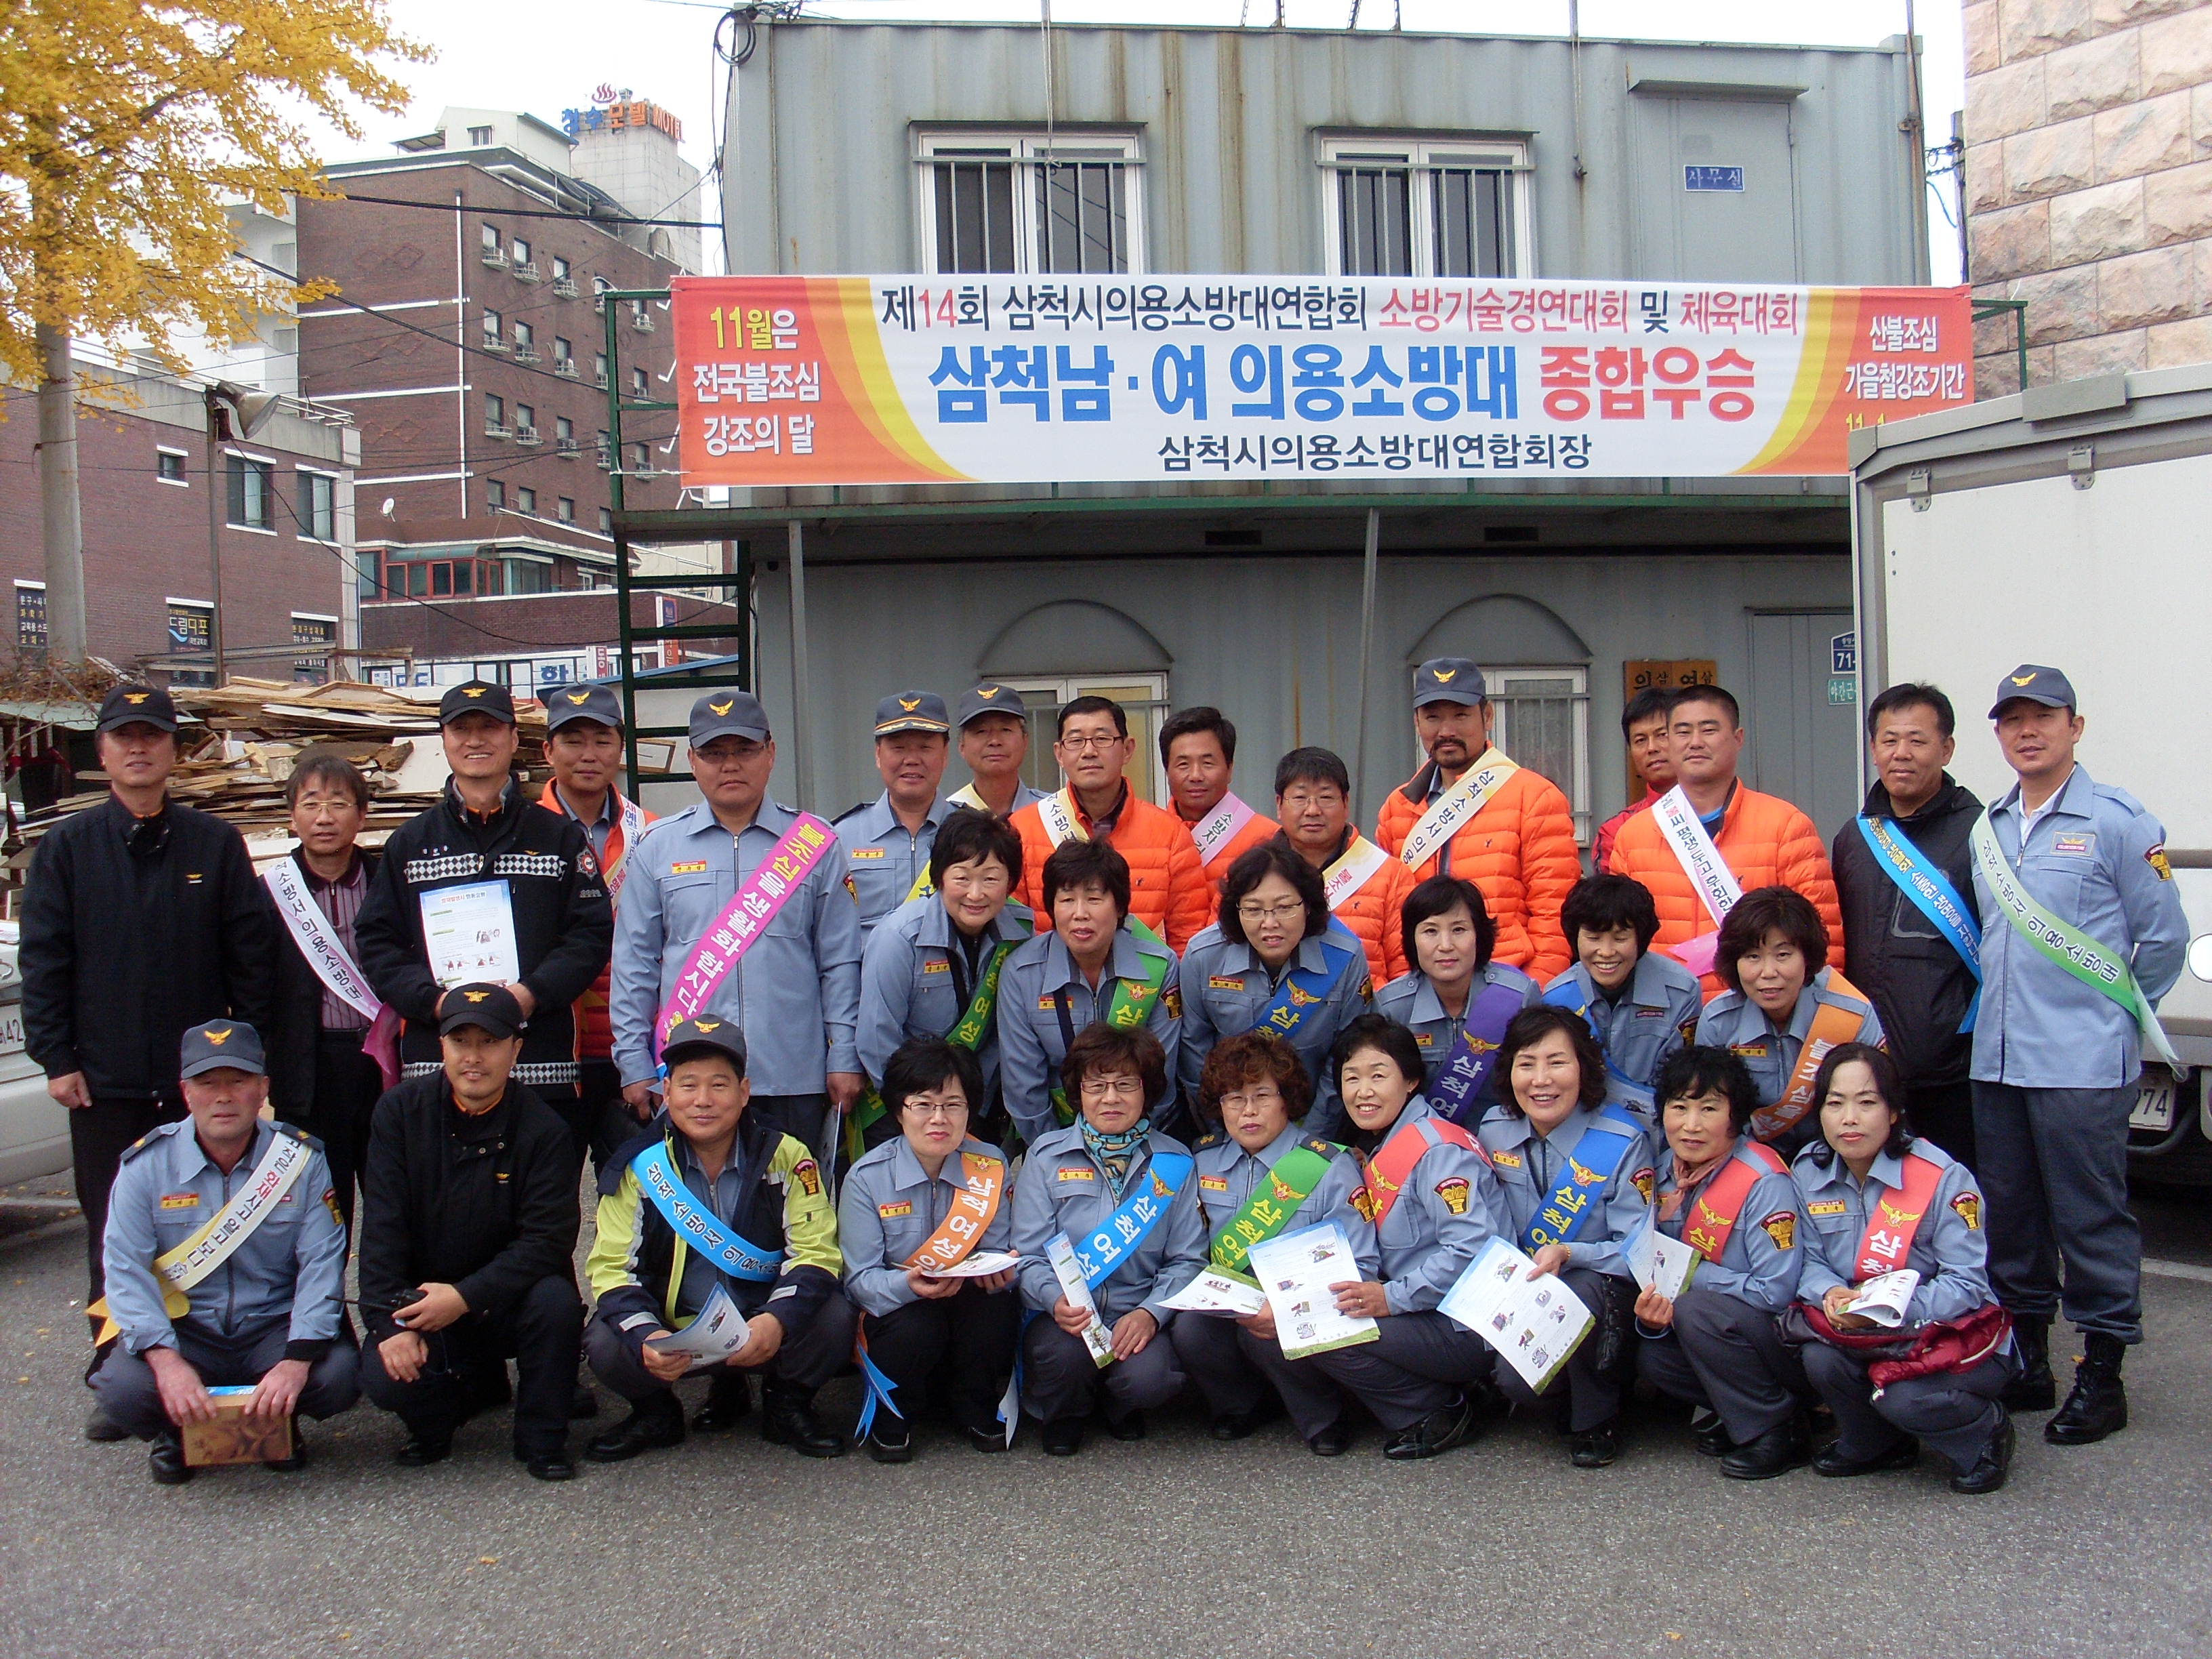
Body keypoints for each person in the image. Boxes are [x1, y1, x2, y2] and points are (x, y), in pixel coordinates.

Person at [20, 682, 275, 1429]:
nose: (138, 748)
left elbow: (250, 963)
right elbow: (45, 962)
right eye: (124, 737)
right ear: (102, 751)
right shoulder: (66, 849)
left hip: (205, 1085)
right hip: (107, 1081)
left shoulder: (214, 845)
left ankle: (212, 1358)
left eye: (152, 736)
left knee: (207, 1226)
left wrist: (253, 1068)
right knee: (114, 1231)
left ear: (173, 750)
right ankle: (117, 1370)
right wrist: (56, 1058)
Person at [1967, 665, 2187, 1444]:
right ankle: (2030, 1359)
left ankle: (2102, 1372)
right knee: (2013, 1219)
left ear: (2075, 727)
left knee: (2090, 1219)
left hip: (2081, 1067)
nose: (2027, 731)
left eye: (2044, 716)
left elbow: (2164, 940)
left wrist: (2111, 1018)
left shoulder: (2119, 822)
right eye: (2012, 719)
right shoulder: (1989, 828)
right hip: (1997, 1062)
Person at [354, 679, 613, 1166]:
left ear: (514, 739)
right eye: (462, 729)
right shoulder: (409, 843)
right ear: (444, 741)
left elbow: (591, 934)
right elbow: (377, 941)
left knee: (543, 1204)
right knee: (443, 1205)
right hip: (438, 1070)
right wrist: (434, 1002)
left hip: (541, 1067)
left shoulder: (558, 837)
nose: (476, 740)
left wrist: (530, 994)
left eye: (490, 728)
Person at [87, 1021, 356, 1485]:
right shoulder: (146, 1166)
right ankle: (176, 1432)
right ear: (186, 1093)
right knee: (120, 1390)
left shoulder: (301, 1161)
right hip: (187, 1330)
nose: (224, 1097)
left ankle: (277, 1421)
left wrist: (296, 1360)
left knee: (338, 1376)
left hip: (271, 1326)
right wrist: (166, 1362)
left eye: (238, 1081)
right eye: (208, 1083)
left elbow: (322, 1263)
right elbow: (125, 1269)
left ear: (263, 1089)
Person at [583, 1017, 853, 1464]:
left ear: (744, 1092)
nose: (703, 1100)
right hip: (676, 1330)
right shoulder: (638, 1167)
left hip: (760, 1323)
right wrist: (649, 1335)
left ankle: (787, 1404)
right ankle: (656, 1413)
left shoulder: (786, 1155)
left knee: (835, 1313)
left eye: (719, 1085)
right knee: (605, 1340)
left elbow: (817, 1252)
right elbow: (611, 1270)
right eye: (688, 1085)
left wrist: (776, 1320)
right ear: (667, 1092)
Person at [609, 689, 863, 1161]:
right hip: (692, 1082)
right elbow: (634, 966)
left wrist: (845, 1053)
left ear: (770, 753)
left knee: (797, 1201)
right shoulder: (658, 848)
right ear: (692, 760)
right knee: (697, 1203)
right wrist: (633, 1063)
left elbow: (841, 962)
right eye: (713, 753)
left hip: (792, 1077)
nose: (730, 765)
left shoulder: (815, 844)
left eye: (745, 750)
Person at [355, 985, 586, 1481]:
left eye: (490, 1043)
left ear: (516, 1050)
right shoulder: (398, 1113)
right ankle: (443, 1417)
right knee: (384, 1376)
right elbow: (381, 1231)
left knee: (556, 1303)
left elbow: (547, 1242)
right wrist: (387, 1325)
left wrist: (464, 1297)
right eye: (461, 1041)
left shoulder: (544, 1129)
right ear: (442, 1045)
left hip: (505, 1298)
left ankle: (543, 1437)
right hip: (423, 1297)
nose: (474, 1057)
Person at [1789, 1043, 2018, 1495]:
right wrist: (1831, 1294)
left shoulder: (1943, 1178)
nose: (1849, 1118)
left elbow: (1966, 1284)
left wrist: (1889, 1310)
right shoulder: (1809, 1171)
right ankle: (1877, 1442)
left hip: (1948, 1334)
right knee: (1819, 1359)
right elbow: (1810, 1260)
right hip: (1864, 1332)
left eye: (1866, 1102)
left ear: (1894, 1112)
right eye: (1835, 1103)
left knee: (1906, 1399)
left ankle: (1984, 1432)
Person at [1294, 1015, 1506, 1460]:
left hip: (1470, 1323)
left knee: (1323, 1333)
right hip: (1429, 1312)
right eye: (1351, 1077)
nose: (1363, 1091)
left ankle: (1436, 1411)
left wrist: (1390, 1299)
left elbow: (1471, 1251)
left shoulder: (1438, 1152)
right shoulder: (1387, 1141)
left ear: (1410, 1080)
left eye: (1378, 1075)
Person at [1010, 1025, 1206, 1456]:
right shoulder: (1045, 1157)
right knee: (1063, 1359)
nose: (1111, 1098)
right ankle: (1066, 1414)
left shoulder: (1174, 1161)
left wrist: (1151, 1314)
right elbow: (1027, 1256)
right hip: (1068, 1314)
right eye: (1096, 1086)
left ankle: (1120, 1404)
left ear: (1147, 1091)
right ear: (1078, 1093)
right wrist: (1054, 1301)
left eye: (1125, 1085)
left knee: (1151, 1379)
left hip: (1135, 1308)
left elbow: (1188, 1259)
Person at [1171, 1031, 1375, 1442]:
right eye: (1234, 1098)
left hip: (1306, 1302)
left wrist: (1288, 1304)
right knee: (1190, 1331)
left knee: (1268, 1336)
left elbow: (1363, 1263)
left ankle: (1323, 1415)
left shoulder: (1327, 1164)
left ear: (1287, 1100)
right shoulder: (1203, 1159)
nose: (1248, 1111)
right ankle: (1242, 1403)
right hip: (1232, 1299)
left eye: (1262, 1096)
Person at [1477, 1006, 1653, 1467]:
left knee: (1582, 1291)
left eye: (1557, 1062)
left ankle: (1598, 1418)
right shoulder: (1494, 1130)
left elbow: (1638, 1251)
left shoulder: (1621, 1140)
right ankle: (1566, 1398)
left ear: (1584, 1068)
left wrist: (1573, 1252)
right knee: (1515, 1384)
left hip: (1600, 1285)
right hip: (1527, 1287)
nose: (1541, 1080)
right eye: (1527, 1063)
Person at [1629, 1045, 1809, 1480]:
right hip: (1715, 1327)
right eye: (1679, 1107)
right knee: (1655, 1358)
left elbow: (1776, 1291)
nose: (1691, 1125)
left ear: (1735, 1117)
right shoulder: (1665, 1170)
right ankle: (1740, 1412)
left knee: (1696, 1310)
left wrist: (1689, 1276)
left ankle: (1778, 1429)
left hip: (1779, 1335)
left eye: (1709, 1109)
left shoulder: (1763, 1181)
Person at [837, 1038, 1020, 1462]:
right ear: (899, 1110)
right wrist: (909, 1286)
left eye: (953, 1105)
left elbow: (999, 1248)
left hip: (966, 1297)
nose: (939, 1119)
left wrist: (1002, 1272)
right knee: (917, 1325)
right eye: (923, 1104)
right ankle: (895, 1410)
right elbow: (859, 1280)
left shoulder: (990, 1164)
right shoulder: (866, 1177)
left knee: (996, 1307)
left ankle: (973, 1402)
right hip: (902, 1308)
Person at [1832, 682, 1985, 1171]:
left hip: (1953, 1071)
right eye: (1889, 740)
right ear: (1873, 748)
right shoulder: (1854, 837)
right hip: (1870, 1070)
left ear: (1947, 749)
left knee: (1954, 1195)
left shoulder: (1983, 834)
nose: (1902, 753)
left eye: (1917, 740)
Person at [1609, 684, 1844, 998]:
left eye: (1708, 730)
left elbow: (1824, 940)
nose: (1695, 742)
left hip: (1758, 1009)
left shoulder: (1786, 826)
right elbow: (1617, 935)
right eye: (1682, 732)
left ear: (1738, 738)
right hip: (1663, 1010)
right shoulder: (1633, 835)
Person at [1372, 657, 1580, 982]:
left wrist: (1533, 992)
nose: (1447, 731)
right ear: (1416, 723)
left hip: (1508, 982)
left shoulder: (1535, 797)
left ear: (1488, 716)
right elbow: (1390, 918)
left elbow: (1554, 914)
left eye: (1460, 715)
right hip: (1422, 987)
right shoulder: (1397, 808)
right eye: (1433, 717)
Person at [262, 749, 393, 1232]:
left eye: (338, 803)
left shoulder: (388, 881)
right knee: (318, 1212)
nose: (324, 818)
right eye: (311, 804)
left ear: (362, 815)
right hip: (309, 1068)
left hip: (384, 1063)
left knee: (394, 1203)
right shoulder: (268, 894)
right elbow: (253, 986)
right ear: (291, 816)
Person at [856, 808, 1033, 1149]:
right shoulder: (899, 937)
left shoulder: (1022, 933)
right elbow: (878, 1040)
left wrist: (969, 1111)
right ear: (938, 878)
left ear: (1010, 882)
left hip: (979, 1108)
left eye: (991, 879)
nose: (976, 894)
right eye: (962, 878)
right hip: (907, 1108)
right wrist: (920, 1112)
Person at [536, 683, 657, 1171]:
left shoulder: (651, 832)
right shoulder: (522, 835)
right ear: (548, 751)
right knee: (547, 1195)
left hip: (636, 1048)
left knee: (643, 1193)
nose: (589, 755)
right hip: (549, 1048)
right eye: (573, 741)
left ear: (620, 749)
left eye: (602, 740)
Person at [996, 839, 1183, 1147]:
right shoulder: (1021, 972)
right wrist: (1056, 1154)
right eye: (1067, 900)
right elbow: (1023, 1088)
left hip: (1141, 1139)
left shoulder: (1159, 967)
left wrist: (1127, 1148)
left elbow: (1161, 1076)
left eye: (1094, 899)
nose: (1080, 914)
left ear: (1119, 907)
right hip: (1052, 1139)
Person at [1176, 840, 1371, 1134]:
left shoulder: (1345, 955)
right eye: (1253, 909)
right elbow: (1194, 1051)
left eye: (1284, 908)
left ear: (1308, 906)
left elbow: (1349, 1056)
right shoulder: (1204, 956)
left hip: (1314, 1122)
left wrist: (1312, 1139)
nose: (1269, 923)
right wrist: (1227, 1129)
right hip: (1232, 1124)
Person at [1008, 695, 1212, 953]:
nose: (1089, 752)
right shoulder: (1023, 829)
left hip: (1142, 978)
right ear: (1059, 753)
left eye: (1102, 739)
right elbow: (1012, 932)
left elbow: (1188, 937)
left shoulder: (1170, 835)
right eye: (1076, 741)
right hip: (1048, 977)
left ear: (1127, 749)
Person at [1694, 886, 1883, 1152]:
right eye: (1753, 957)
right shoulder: (1718, 1022)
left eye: (1783, 955)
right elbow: (1709, 1110)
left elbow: (1877, 1107)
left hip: (1838, 1152)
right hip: (1751, 1156)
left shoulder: (1852, 1013)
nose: (1768, 972)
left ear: (1808, 957)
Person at [1369, 876, 1539, 1134]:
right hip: (1423, 1144)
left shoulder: (1518, 996)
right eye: (1430, 931)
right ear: (1411, 939)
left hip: (1505, 1140)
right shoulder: (1392, 1007)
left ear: (1479, 935)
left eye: (1459, 930)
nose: (1446, 946)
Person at [1541, 874, 1703, 1122]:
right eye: (1593, 938)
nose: (1606, 952)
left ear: (1641, 939)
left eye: (1620, 938)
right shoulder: (1557, 997)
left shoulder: (1681, 991)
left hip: (1658, 1125)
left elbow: (1678, 1082)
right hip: (1581, 1126)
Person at [1275, 744, 1416, 985]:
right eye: (1299, 798)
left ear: (1346, 803)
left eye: (1326, 798)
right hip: (1278, 1009)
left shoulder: (1390, 874)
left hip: (1366, 1008)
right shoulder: (1253, 874)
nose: (1313, 810)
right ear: (1279, 805)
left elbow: (1406, 972)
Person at [834, 691, 954, 948]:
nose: (911, 760)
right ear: (878, 754)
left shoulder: (975, 831)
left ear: (945, 754)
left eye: (925, 747)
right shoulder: (841, 838)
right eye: (898, 748)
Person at [1159, 706, 1277, 893]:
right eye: (1183, 765)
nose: (1195, 776)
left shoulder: (1270, 838)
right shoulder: (1151, 839)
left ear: (1229, 768)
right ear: (1167, 771)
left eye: (1207, 763)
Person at [1593, 685, 1678, 874]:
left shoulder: (1732, 815)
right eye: (1640, 740)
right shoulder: (1616, 830)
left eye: (1662, 735)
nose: (1652, 748)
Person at [947, 683, 1046, 818]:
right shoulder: (947, 817)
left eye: (1006, 730)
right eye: (981, 731)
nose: (995, 741)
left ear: (1025, 741)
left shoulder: (1050, 813)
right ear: (961, 746)